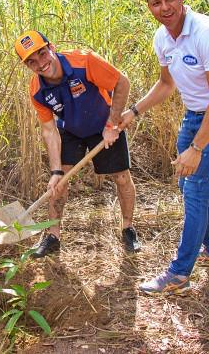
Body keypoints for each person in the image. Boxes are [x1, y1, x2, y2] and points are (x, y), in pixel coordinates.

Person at [121, 0, 209, 295]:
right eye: (156, 3)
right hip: (193, 115)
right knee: (188, 184)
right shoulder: (162, 39)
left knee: (194, 188)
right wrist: (133, 112)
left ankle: (179, 273)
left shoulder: (208, 33)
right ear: (149, 7)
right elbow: (166, 84)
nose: (165, 7)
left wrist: (197, 147)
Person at [14, 31, 141, 258]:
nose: (40, 64)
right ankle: (53, 236)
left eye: (42, 54)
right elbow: (49, 130)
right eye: (31, 62)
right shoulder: (37, 90)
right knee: (59, 183)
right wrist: (54, 171)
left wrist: (112, 123)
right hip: (70, 129)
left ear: (51, 47)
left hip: (104, 123)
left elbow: (122, 82)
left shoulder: (84, 61)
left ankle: (128, 228)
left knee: (122, 177)